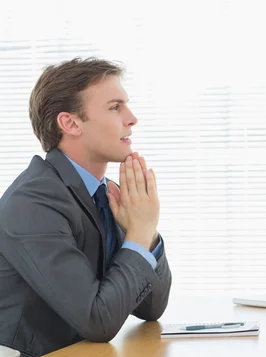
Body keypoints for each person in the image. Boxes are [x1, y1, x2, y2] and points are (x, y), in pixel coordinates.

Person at [0, 58, 172, 357]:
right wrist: (139, 232)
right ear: (70, 123)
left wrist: (146, 232)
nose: (132, 118)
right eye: (115, 107)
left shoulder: (105, 195)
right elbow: (98, 321)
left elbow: (150, 307)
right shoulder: (33, 203)